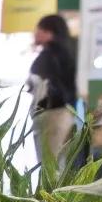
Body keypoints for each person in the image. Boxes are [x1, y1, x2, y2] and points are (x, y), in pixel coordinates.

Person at [28, 13, 77, 165]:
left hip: (52, 116)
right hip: (64, 114)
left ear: (50, 33)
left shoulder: (50, 55)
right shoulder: (64, 52)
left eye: (40, 29)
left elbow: (49, 87)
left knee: (50, 169)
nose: (36, 33)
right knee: (58, 165)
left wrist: (39, 108)